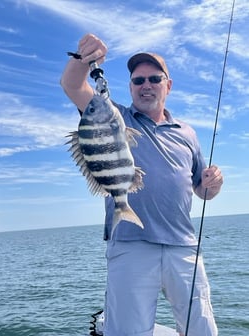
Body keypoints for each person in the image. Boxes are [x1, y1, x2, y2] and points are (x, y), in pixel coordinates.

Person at [61, 34, 223, 336]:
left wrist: (213, 183)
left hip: (183, 246)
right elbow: (72, 85)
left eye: (154, 78)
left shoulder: (187, 133)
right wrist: (83, 58)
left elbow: (203, 190)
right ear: (131, 87)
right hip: (130, 244)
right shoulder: (116, 117)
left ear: (168, 85)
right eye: (138, 81)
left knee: (202, 329)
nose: (145, 85)